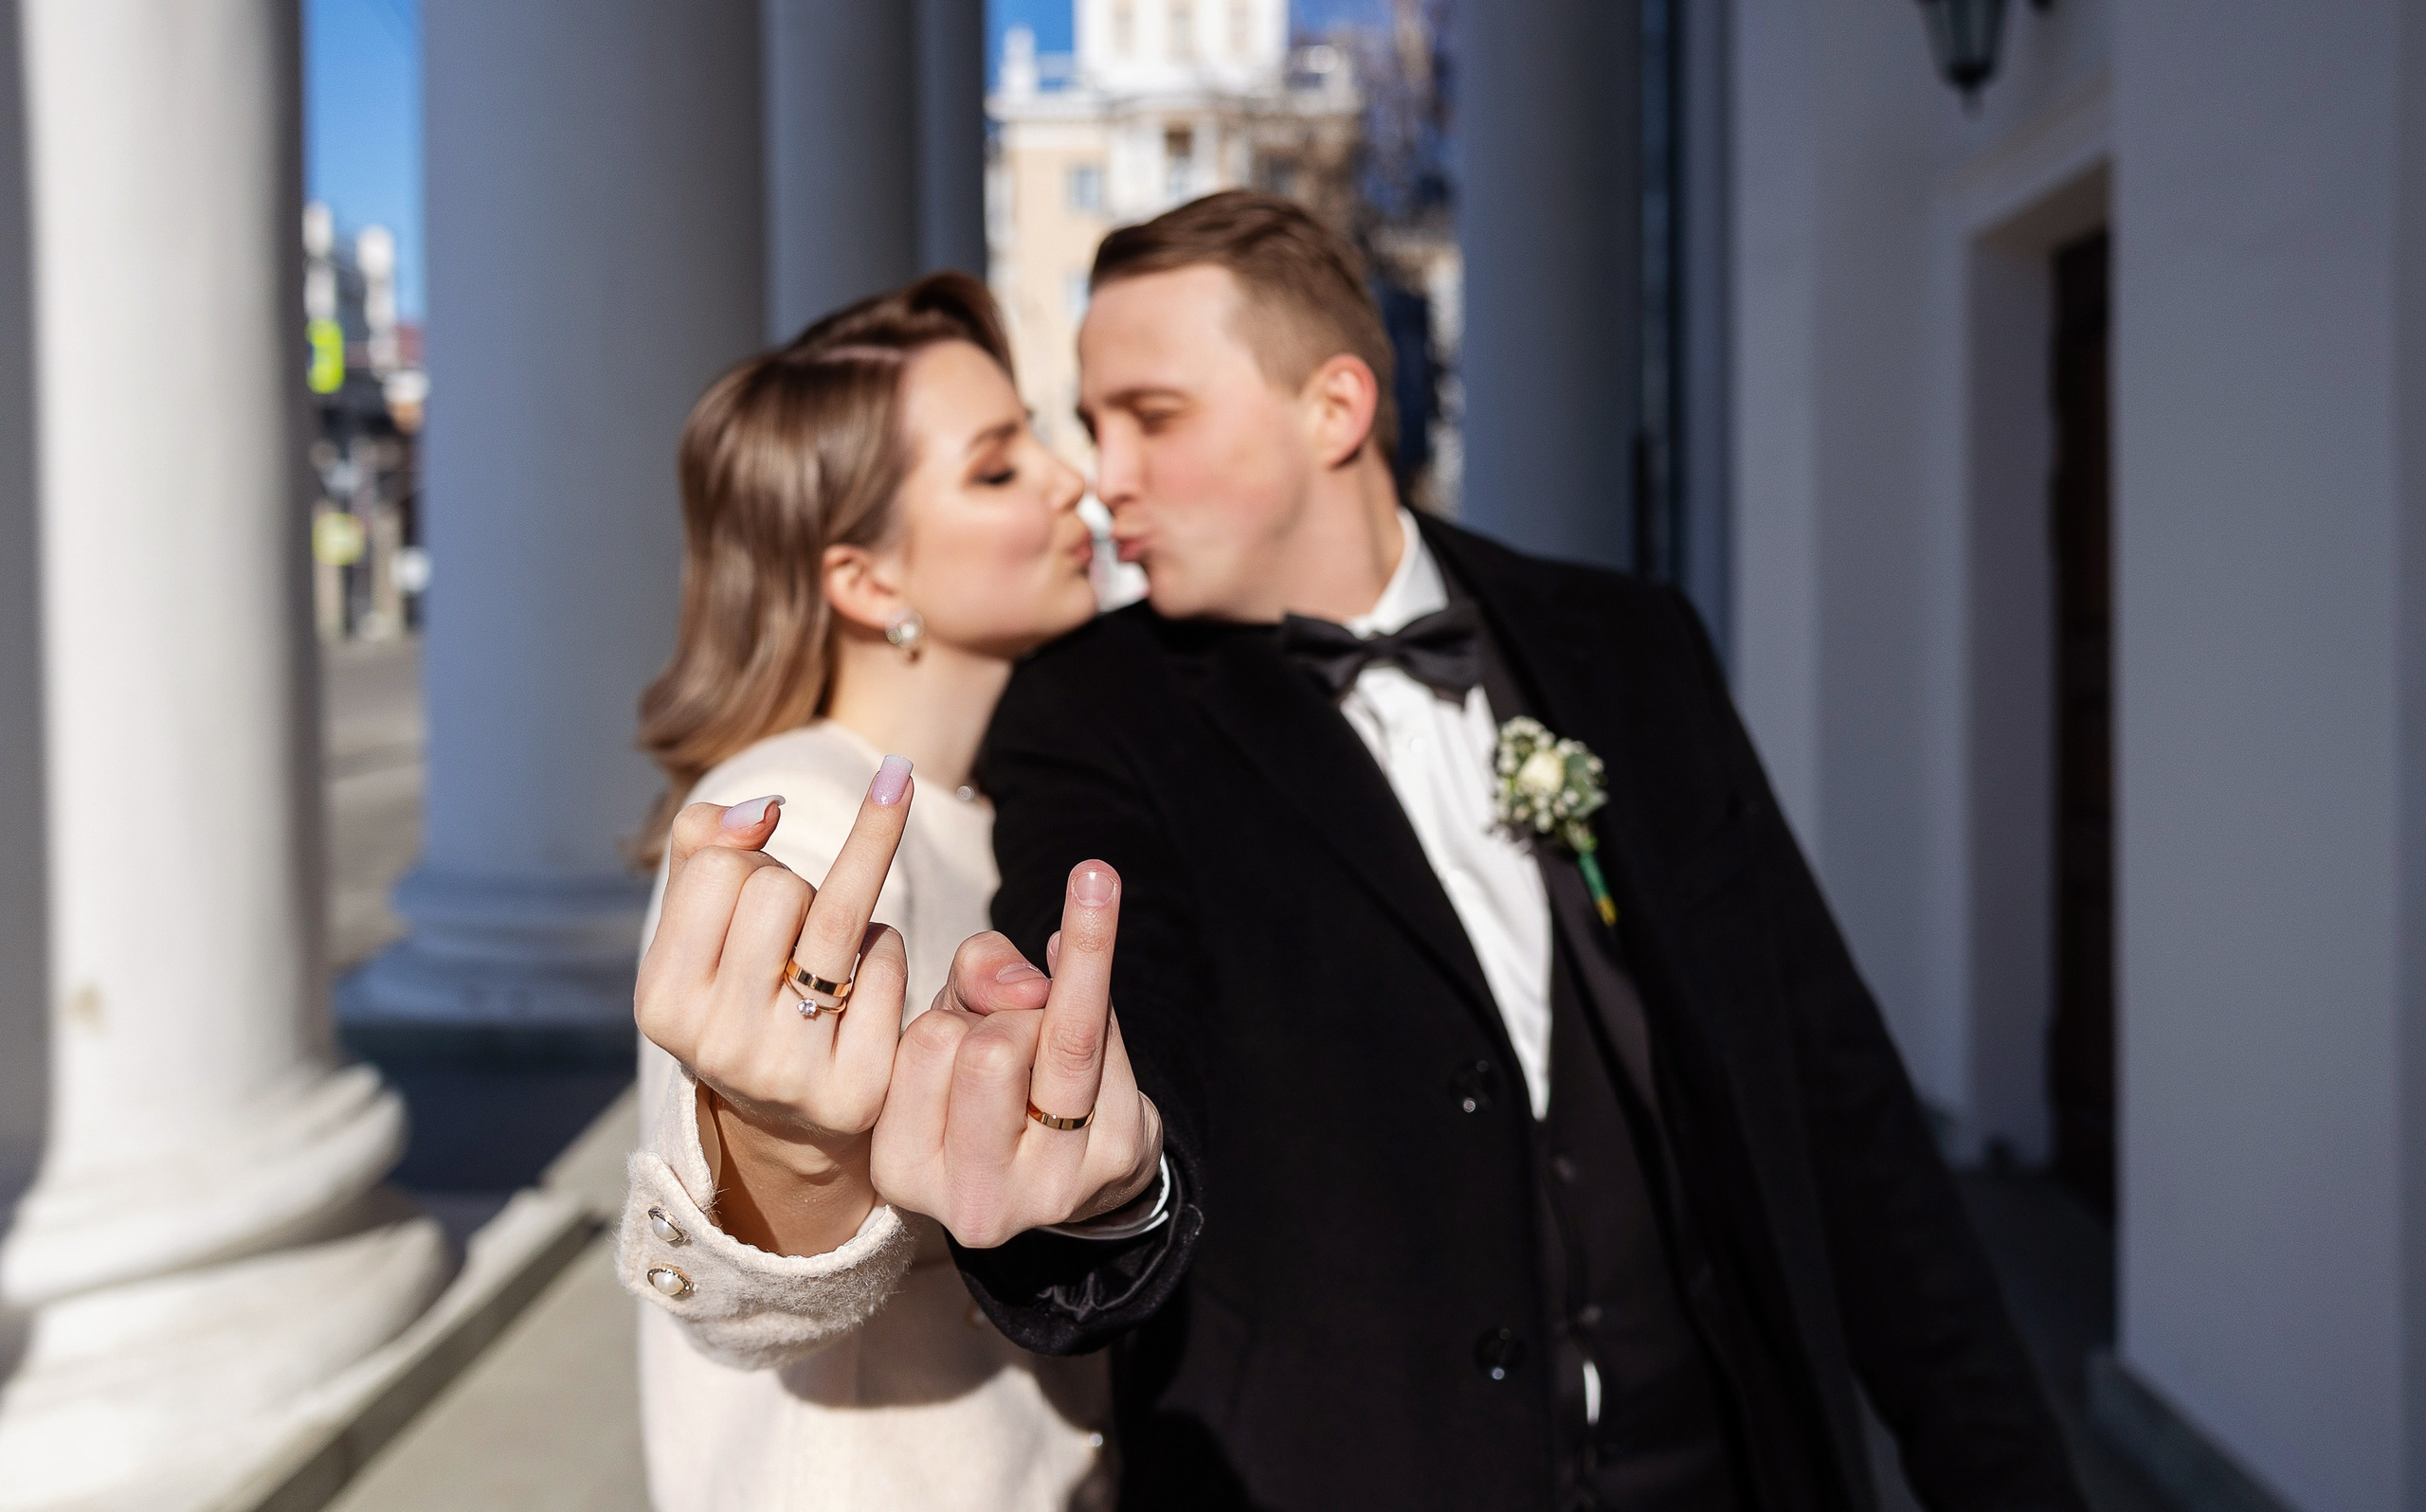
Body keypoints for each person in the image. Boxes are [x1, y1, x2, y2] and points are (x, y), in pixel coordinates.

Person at [931, 192, 2090, 1511]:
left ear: (1335, 408)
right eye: (1095, 426)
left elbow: (1834, 1098)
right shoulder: (1086, 714)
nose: (1105, 475)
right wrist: (1094, 1178)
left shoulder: (1631, 647)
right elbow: (1127, 1019)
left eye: (1153, 416)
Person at [614, 274, 1164, 1511]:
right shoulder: (806, 823)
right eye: (997, 468)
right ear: (867, 583)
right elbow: (736, 1278)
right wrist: (783, 1158)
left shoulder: (976, 807)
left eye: (1036, 439)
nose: (1069, 481)